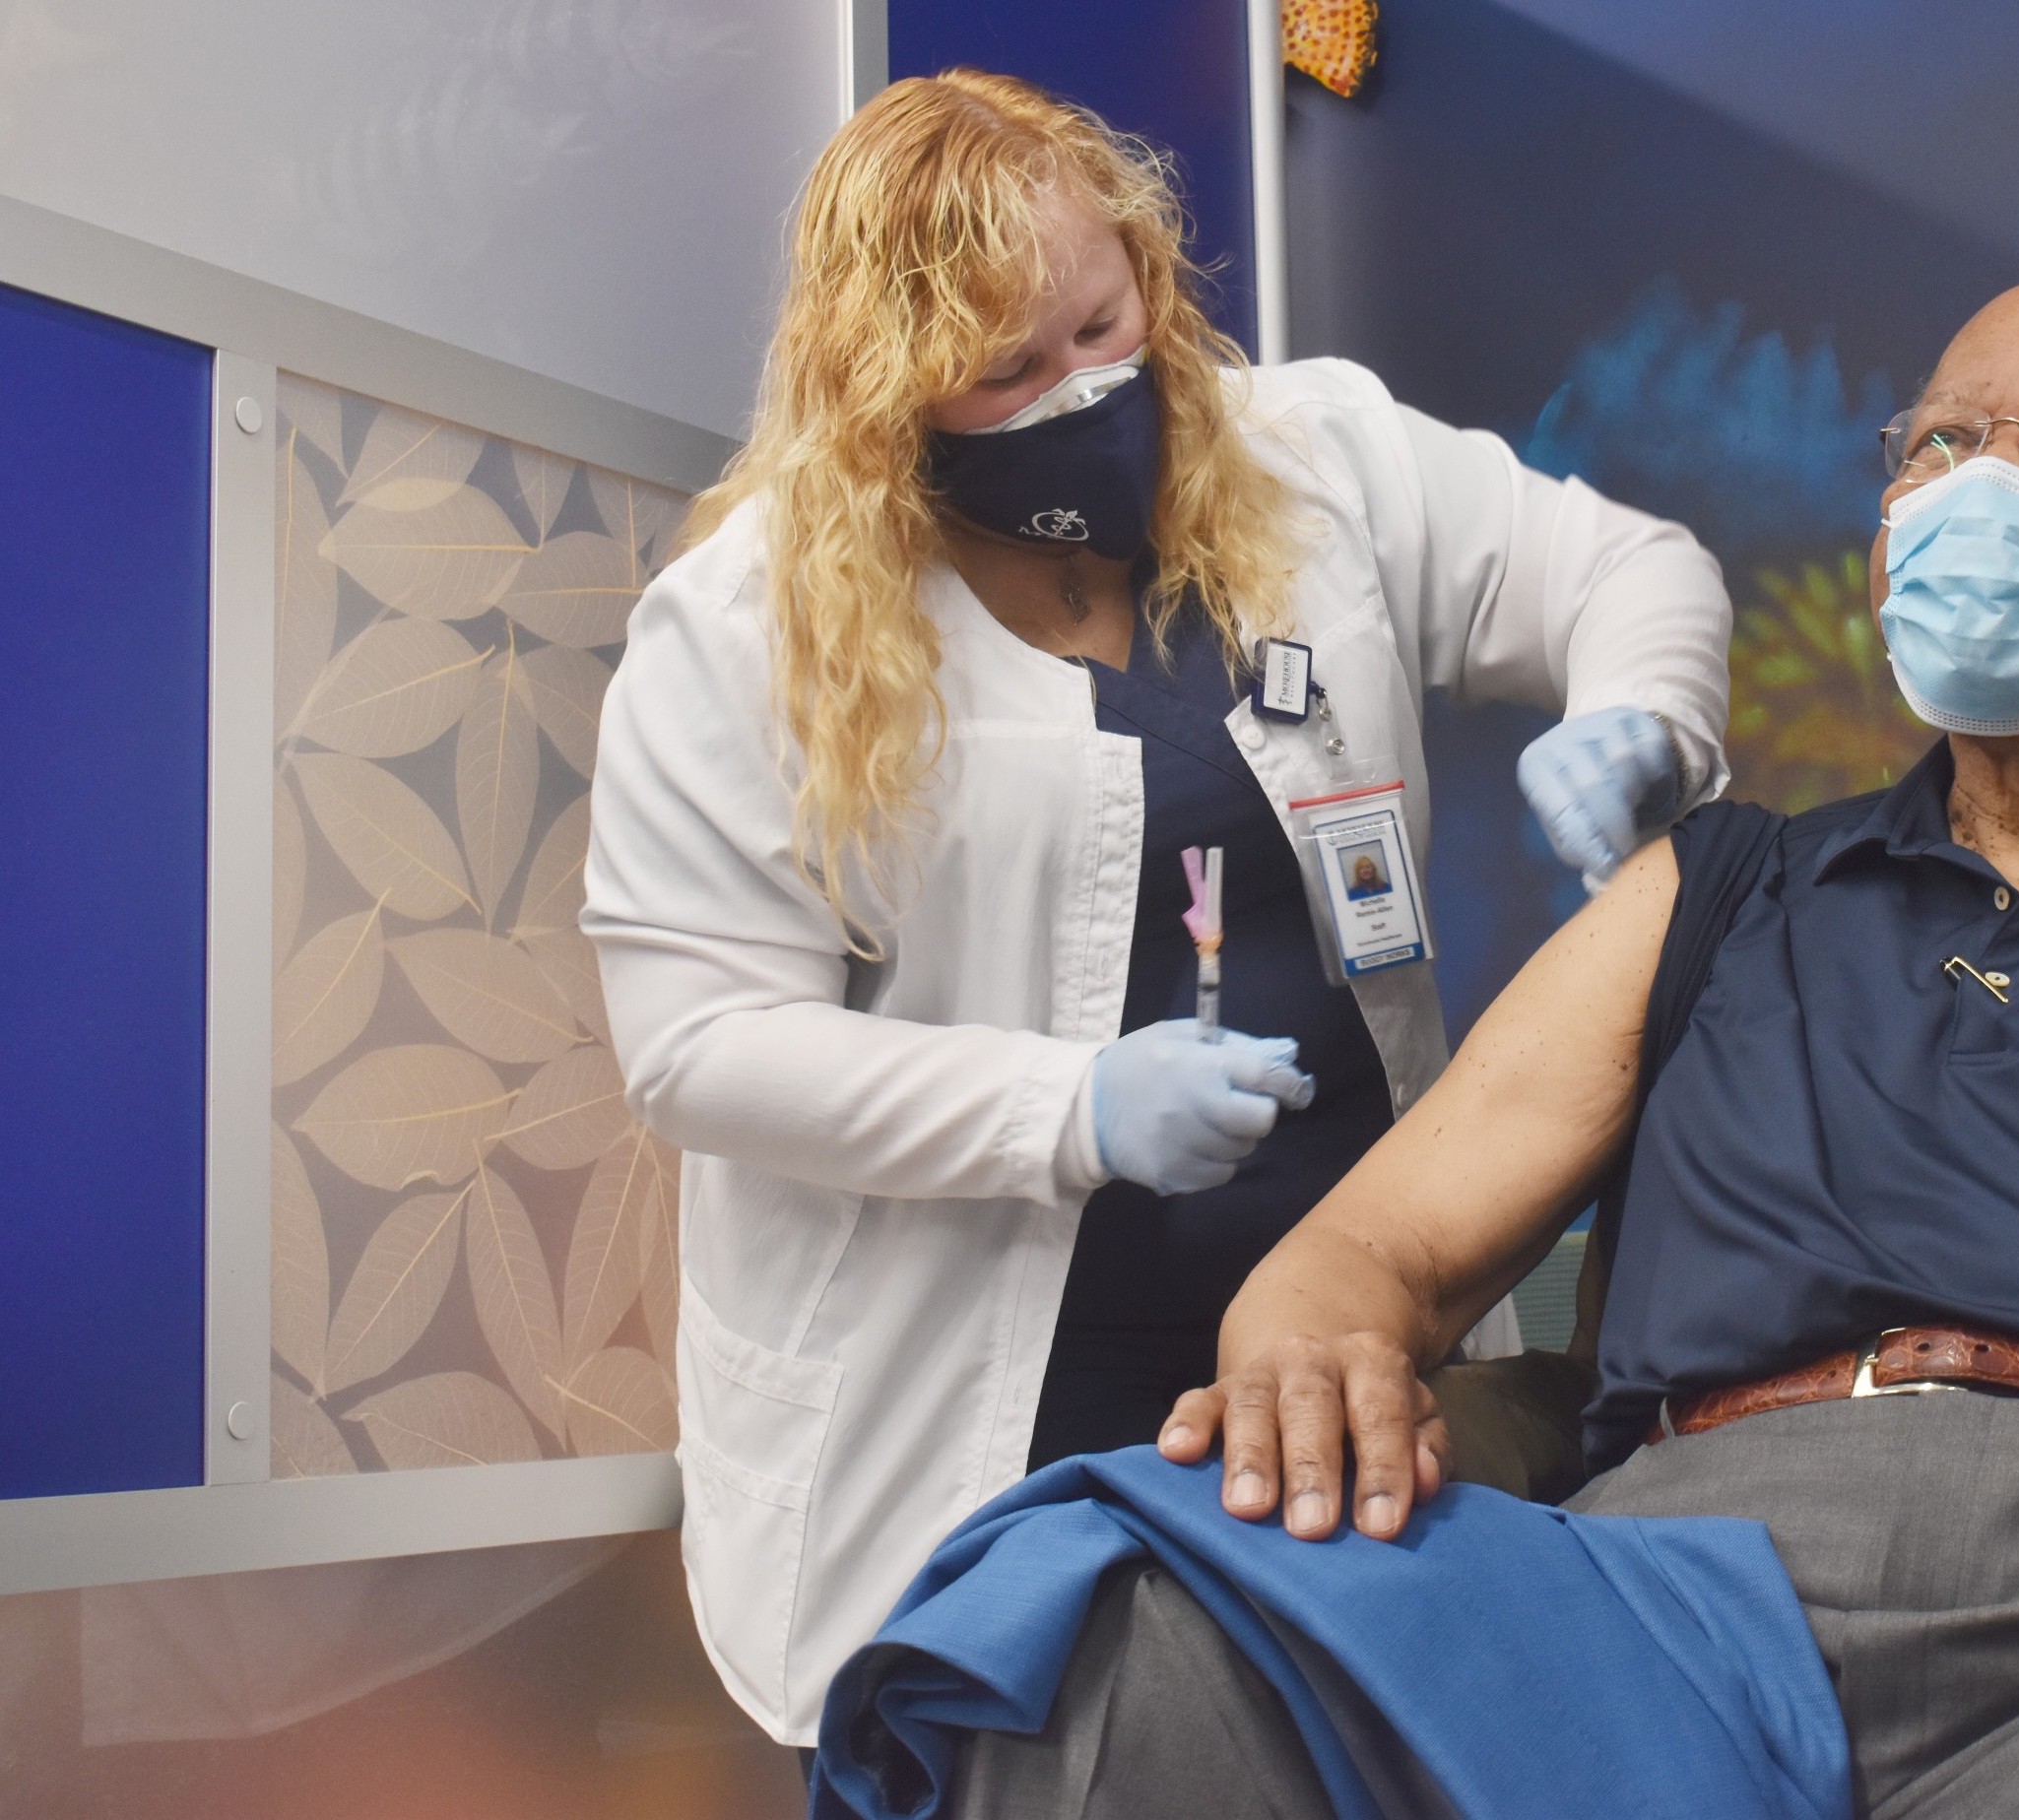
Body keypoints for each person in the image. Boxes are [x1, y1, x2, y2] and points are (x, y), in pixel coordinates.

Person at [923, 275, 2019, 1819]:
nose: (1979, 487)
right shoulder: (1721, 889)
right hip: (1661, 1609)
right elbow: (1382, 1245)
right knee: (1101, 1627)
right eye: (1938, 446)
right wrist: (1311, 1326)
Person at [581, 70, 1731, 1751]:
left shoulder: (1304, 450)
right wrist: (1070, 1111)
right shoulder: (749, 626)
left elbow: (1628, 568)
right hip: (985, 1384)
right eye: (1008, 371)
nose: (1083, 389)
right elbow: (698, 1049)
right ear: (892, 391)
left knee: (1366, 1743)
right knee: (1040, 1749)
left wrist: (1643, 714)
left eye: (1101, 323)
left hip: (1347, 1339)